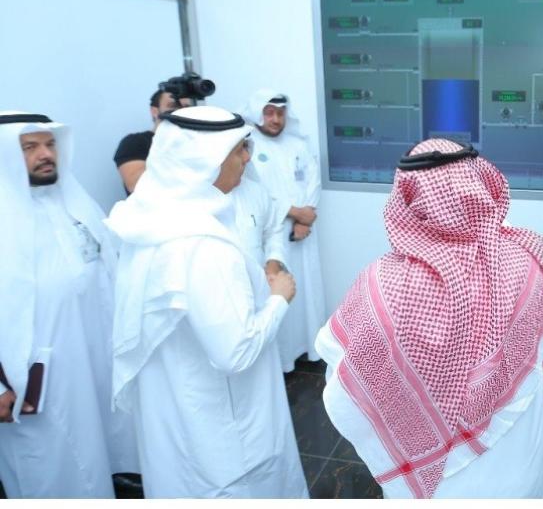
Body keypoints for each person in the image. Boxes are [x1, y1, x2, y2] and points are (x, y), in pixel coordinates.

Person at [314, 139, 543, 499]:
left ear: (407, 195)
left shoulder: (383, 284)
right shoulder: (533, 256)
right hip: (520, 468)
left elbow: (344, 378)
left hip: (445, 489)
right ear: (478, 182)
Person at [106, 105, 308, 498]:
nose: (247, 158)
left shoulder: (152, 220)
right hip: (226, 440)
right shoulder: (202, 245)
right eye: (238, 150)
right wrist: (279, 299)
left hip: (179, 418)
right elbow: (237, 352)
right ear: (206, 160)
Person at [0, 111, 137, 498]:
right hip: (35, 379)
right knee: (50, 472)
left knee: (98, 459)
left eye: (50, 144)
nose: (46, 154)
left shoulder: (76, 204)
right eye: (29, 147)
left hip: (92, 362)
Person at [242, 90, 327, 372]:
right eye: (269, 112)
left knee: (306, 294)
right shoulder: (247, 148)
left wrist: (306, 218)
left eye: (280, 113)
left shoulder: (297, 144)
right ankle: (284, 362)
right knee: (276, 290)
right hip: (272, 235)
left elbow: (312, 180)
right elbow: (258, 193)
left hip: (304, 233)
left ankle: (309, 351)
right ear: (257, 113)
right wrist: (295, 213)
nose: (276, 119)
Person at [113, 88, 192, 194]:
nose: (181, 112)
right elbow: (136, 185)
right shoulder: (136, 142)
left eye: (186, 108)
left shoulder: (198, 142)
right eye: (173, 106)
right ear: (155, 111)